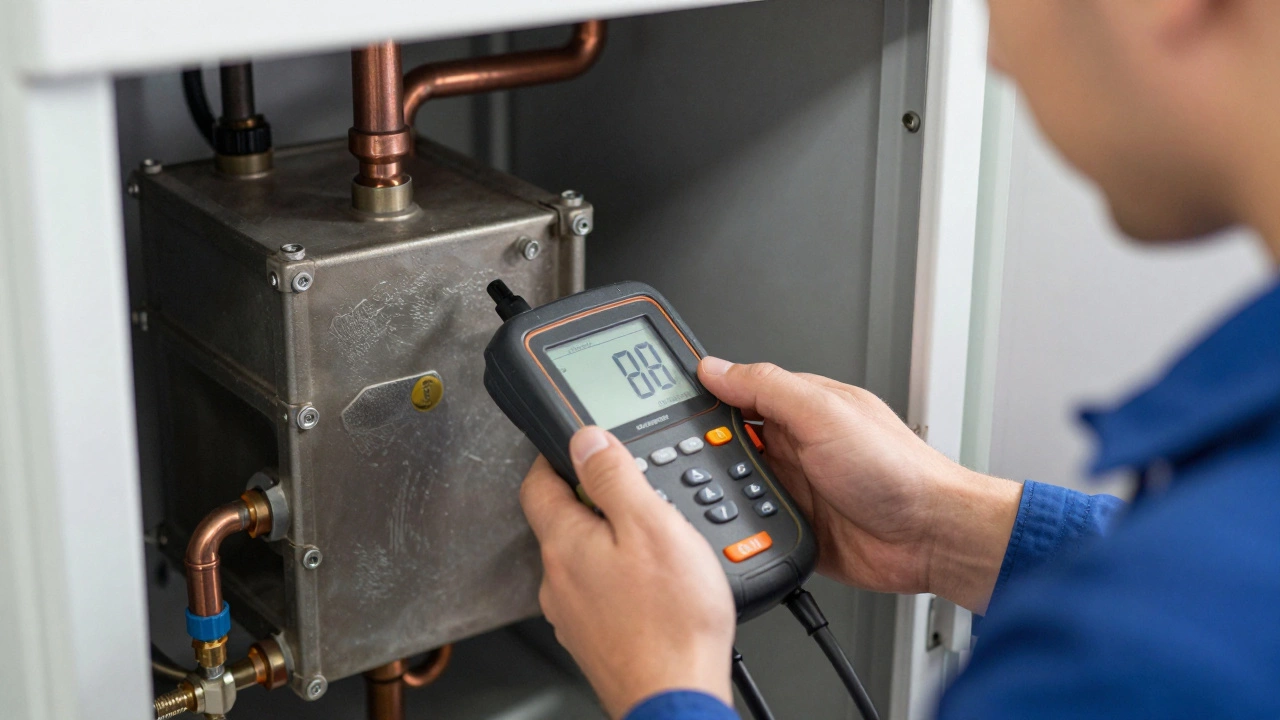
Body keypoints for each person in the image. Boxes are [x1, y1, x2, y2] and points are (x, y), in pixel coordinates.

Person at [518, 0, 1280, 718]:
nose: (996, 55)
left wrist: (664, 681)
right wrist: (947, 529)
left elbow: (1169, 628)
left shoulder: (1126, 661)